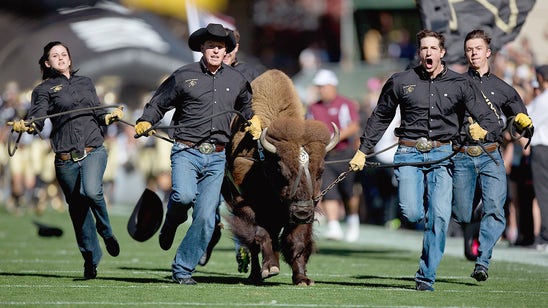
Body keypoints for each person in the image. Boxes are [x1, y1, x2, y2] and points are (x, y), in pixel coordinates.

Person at [348, 30, 501, 291]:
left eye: (433, 48)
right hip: (408, 153)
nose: (428, 53)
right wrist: (363, 150)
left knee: (439, 217)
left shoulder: (460, 84)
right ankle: (423, 225)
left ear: (442, 52)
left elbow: (487, 116)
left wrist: (486, 131)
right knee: (412, 212)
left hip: (444, 156)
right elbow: (380, 117)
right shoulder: (400, 81)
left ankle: (425, 276)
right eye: (424, 48)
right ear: (419, 53)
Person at [134, 23, 261, 285]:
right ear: (202, 48)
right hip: (186, 150)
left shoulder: (236, 80)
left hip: (216, 157)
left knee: (205, 219)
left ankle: (182, 269)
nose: (216, 50)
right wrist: (146, 120)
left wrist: (253, 120)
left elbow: (246, 106)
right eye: (211, 46)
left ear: (227, 50)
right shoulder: (183, 75)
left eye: (220, 46)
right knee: (183, 196)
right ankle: (171, 223)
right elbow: (159, 102)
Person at [10, 41, 123, 279]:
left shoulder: (86, 82)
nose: (60, 58)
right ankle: (91, 259)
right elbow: (38, 119)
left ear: (70, 59)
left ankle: (106, 231)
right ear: (47, 63)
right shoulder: (43, 90)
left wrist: (111, 116)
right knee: (78, 212)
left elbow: (99, 114)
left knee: (92, 191)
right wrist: (27, 125)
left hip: (93, 149)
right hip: (65, 159)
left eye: (64, 54)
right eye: (55, 56)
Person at [452, 29, 534, 281]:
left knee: (496, 210)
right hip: (463, 155)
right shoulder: (454, 84)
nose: (473, 53)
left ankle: (483, 261)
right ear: (465, 54)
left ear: (488, 52)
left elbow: (523, 125)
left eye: (478, 48)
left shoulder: (504, 89)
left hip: (490, 155)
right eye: (469, 49)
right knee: (462, 213)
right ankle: (473, 226)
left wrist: (520, 124)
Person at [199, 27, 261, 272]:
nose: (222, 51)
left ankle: (242, 249)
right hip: (208, 146)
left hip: (241, 151)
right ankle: (206, 239)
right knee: (206, 205)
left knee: (241, 204)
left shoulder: (250, 73)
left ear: (234, 48)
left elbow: (259, 108)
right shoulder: (202, 71)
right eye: (216, 45)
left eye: (228, 46)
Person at [307, 69, 361, 242]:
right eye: (319, 87)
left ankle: (353, 219)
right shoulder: (313, 107)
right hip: (326, 155)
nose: (320, 90)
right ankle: (334, 225)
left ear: (332, 86)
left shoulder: (345, 103)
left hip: (345, 153)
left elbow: (353, 126)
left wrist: (335, 137)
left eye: (323, 86)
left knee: (348, 191)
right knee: (328, 189)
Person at [528, 65, 548, 251]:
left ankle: (544, 236)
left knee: (542, 193)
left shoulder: (543, 100)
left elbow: (527, 121)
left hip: (542, 149)